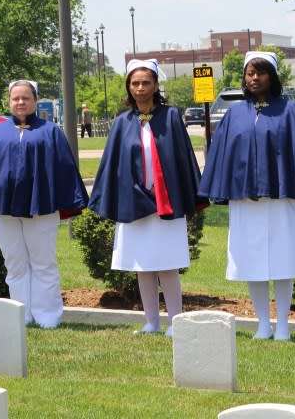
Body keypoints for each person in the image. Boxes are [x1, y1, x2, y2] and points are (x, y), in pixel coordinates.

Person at [198, 51, 295, 341]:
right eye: (250, 73)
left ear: (272, 76)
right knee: (251, 261)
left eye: (261, 72)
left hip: (281, 198)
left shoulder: (288, 110)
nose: (254, 78)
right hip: (245, 201)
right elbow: (223, 154)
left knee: (282, 260)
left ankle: (283, 325)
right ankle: (263, 324)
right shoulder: (235, 113)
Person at [89, 59, 207, 337]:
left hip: (166, 202)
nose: (140, 88)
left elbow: (182, 160)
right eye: (135, 83)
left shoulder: (171, 117)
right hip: (134, 204)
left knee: (167, 265)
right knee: (142, 265)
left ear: (156, 85)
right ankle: (151, 322)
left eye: (146, 82)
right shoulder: (121, 123)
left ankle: (176, 321)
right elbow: (113, 166)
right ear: (129, 87)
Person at [0, 79, 88, 328]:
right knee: (14, 263)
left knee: (43, 262)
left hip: (42, 206)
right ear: (9, 101)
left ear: (35, 100)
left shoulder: (50, 131)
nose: (21, 102)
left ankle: (48, 316)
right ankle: (21, 315)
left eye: (26, 98)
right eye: (16, 98)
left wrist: (66, 201)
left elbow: (64, 168)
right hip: (3, 208)